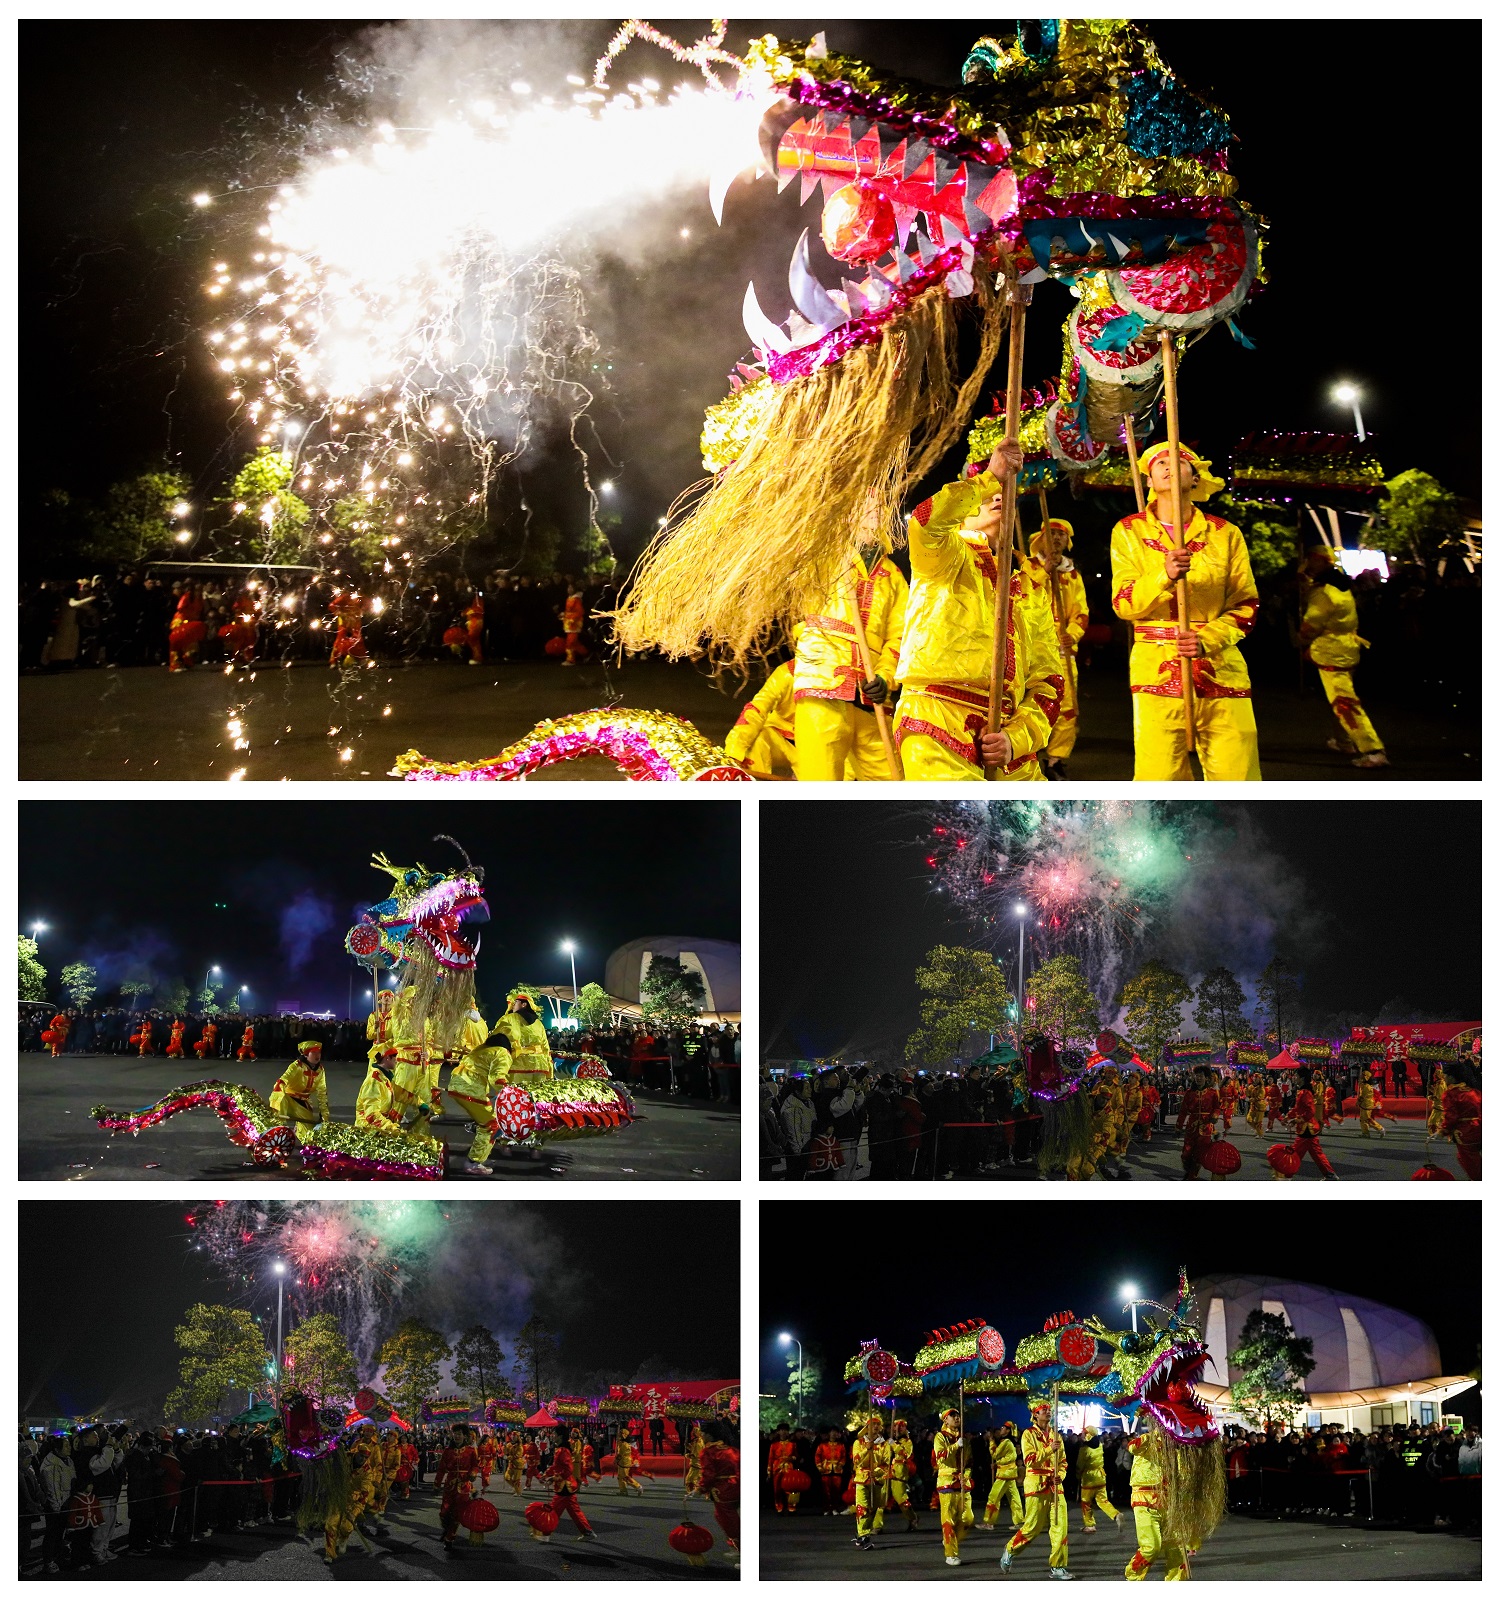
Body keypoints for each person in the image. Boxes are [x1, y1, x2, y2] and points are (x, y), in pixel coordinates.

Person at [892, 440, 1065, 780]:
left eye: (1005, 494)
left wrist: (1015, 740)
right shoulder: (943, 555)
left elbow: (1048, 681)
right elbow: (925, 521)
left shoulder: (1032, 587)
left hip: (1007, 740)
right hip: (937, 720)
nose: (998, 497)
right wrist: (989, 478)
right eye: (987, 498)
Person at [1110, 442, 1260, 781]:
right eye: (1159, 463)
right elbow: (1123, 603)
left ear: (1195, 478)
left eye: (1179, 461)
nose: (1168, 466)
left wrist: (1207, 639)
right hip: (1155, 669)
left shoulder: (1226, 534)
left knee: (1238, 776)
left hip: (1221, 668)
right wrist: (1163, 575)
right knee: (1159, 779)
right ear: (1149, 480)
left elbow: (1246, 604)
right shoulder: (1128, 531)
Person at [791, 517, 907, 781]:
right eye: (867, 500)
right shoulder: (822, 553)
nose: (875, 508)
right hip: (822, 681)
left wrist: (885, 678)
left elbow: (900, 637)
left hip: (872, 697)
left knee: (890, 783)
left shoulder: (894, 577)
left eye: (881, 502)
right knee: (820, 781)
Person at [1299, 546, 1387, 768]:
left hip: (1332, 651)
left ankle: (1373, 749)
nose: (1308, 564)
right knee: (1340, 697)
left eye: (1311, 559)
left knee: (1344, 701)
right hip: (1347, 647)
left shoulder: (1323, 591)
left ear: (1320, 561)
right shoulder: (1342, 585)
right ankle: (1343, 741)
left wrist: (1301, 639)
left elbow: (1312, 623)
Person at [1023, 516, 1088, 779]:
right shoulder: (1027, 566)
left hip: (1061, 651)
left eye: (1062, 534)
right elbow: (1022, 597)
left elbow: (1081, 612)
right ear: (1040, 538)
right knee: (1029, 705)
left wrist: (1072, 635)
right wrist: (1044, 572)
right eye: (1052, 533)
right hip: (1032, 649)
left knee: (1066, 708)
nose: (1057, 538)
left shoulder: (1072, 574)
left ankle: (1055, 760)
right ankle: (1025, 756)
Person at [1001, 1399, 1070, 1578]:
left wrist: (1060, 1476)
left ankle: (1058, 1566)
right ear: (1035, 1414)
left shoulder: (1056, 1435)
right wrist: (1049, 1449)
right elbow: (1029, 1460)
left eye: (1049, 1409)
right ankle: (1011, 1549)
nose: (1048, 1411)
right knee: (1032, 1527)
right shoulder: (1028, 1434)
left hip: (1055, 1486)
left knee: (1060, 1527)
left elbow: (1063, 1462)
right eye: (1043, 1410)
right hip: (1036, 1485)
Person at [446, 1014, 512, 1175]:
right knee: (492, 1125)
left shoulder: (481, 1049)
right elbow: (497, 1078)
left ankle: (480, 1156)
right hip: (471, 1090)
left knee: (485, 1121)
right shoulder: (502, 1052)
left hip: (455, 1086)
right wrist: (511, 1092)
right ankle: (473, 1163)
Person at [1124, 1428, 1186, 1580]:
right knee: (1151, 1547)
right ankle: (1133, 1577)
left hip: (1169, 1501)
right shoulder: (1148, 1440)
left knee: (1177, 1548)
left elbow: (1182, 1475)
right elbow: (1133, 1447)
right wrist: (1153, 1437)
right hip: (1145, 1500)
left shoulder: (1178, 1447)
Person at [725, 658, 798, 778]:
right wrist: (734, 751)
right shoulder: (786, 674)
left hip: (821, 745)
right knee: (756, 742)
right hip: (783, 737)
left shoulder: (832, 674)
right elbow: (758, 708)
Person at [933, 1407, 974, 1567]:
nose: (956, 1418)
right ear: (945, 1420)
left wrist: (966, 1476)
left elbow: (969, 1462)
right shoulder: (940, 1436)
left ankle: (949, 1540)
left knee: (968, 1519)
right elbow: (940, 1456)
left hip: (962, 1483)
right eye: (952, 1416)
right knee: (948, 1521)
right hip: (947, 1481)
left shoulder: (964, 1438)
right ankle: (951, 1554)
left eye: (957, 1415)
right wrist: (956, 1446)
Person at [697, 1421, 741, 1568]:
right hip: (737, 1486)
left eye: (703, 1433)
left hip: (723, 1490)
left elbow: (708, 1474)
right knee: (729, 1517)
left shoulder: (709, 1452)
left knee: (729, 1521)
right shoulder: (731, 1449)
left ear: (709, 1435)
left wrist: (700, 1489)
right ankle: (735, 1547)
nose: (701, 1436)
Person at [269, 1040, 331, 1139]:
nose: (317, 1055)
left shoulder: (320, 1070)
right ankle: (277, 1131)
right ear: (306, 1055)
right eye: (313, 1052)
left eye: (319, 1052)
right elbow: (283, 1081)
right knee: (280, 1100)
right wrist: (276, 1100)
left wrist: (324, 1116)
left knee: (308, 1135)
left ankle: (298, 1130)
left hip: (303, 1102)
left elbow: (322, 1093)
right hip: (288, 1099)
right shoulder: (296, 1066)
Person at [546, 1426, 597, 1539]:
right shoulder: (560, 1449)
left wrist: (554, 1478)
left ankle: (544, 1531)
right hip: (565, 1485)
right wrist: (546, 1475)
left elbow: (568, 1469)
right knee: (574, 1511)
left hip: (564, 1485)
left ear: (560, 1436)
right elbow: (555, 1466)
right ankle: (587, 1531)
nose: (552, 1436)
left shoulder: (563, 1450)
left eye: (554, 1434)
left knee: (554, 1509)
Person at [435, 1424, 480, 1550]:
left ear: (465, 1436)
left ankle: (449, 1538)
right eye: (455, 1433)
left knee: (457, 1514)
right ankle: (447, 1529)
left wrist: (473, 1473)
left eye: (459, 1434)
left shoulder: (471, 1451)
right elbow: (441, 1469)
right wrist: (436, 1484)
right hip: (449, 1486)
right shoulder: (447, 1451)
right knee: (443, 1512)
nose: (457, 1436)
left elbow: (475, 1466)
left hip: (464, 1486)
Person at [1290, 1068, 1338, 1180]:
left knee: (1295, 1153)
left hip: (1306, 1128)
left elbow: (1310, 1111)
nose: (1294, 1077)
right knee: (1316, 1153)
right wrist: (1288, 1117)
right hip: (1307, 1128)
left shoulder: (1305, 1092)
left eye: (1296, 1075)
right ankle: (1329, 1174)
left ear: (1302, 1078)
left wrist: (1297, 1120)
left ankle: (1285, 1174)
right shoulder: (1302, 1091)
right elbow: (1297, 1108)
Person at [497, 988, 553, 1082]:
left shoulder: (508, 1018)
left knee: (518, 1090)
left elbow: (498, 1038)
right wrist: (549, 1064)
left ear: (524, 1004)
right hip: (540, 1065)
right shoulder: (538, 1023)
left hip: (518, 1065)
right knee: (539, 1090)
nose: (513, 1004)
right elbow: (545, 1046)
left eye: (516, 1002)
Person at [1176, 1066, 1221, 1181]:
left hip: (1206, 1127)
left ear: (1206, 1078)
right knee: (1186, 1153)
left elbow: (1217, 1108)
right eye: (1197, 1076)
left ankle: (1192, 1176)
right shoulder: (1189, 1093)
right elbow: (1183, 1111)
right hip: (1191, 1127)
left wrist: (1215, 1115)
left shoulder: (1212, 1093)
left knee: (1199, 1154)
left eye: (1201, 1076)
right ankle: (1189, 1170)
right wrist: (1178, 1127)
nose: (1198, 1078)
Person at [1077, 1426, 1121, 1532]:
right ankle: (1116, 1514)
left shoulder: (1084, 1449)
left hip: (1088, 1478)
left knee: (1086, 1502)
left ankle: (1090, 1525)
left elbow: (1079, 1465)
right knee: (1103, 1500)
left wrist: (1078, 1475)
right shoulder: (1100, 1446)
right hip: (1100, 1476)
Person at [850, 1414, 884, 1550]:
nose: (875, 1427)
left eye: (878, 1424)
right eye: (872, 1424)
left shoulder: (884, 1444)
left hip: (877, 1480)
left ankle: (862, 1533)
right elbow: (856, 1460)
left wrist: (876, 1472)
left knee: (873, 1508)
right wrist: (867, 1449)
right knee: (862, 1508)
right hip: (862, 1479)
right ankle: (864, 1535)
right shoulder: (858, 1443)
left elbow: (886, 1463)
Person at [981, 1422, 1023, 1531]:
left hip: (1004, 1474)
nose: (1001, 1429)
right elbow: (1010, 1457)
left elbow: (995, 1454)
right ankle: (1019, 1521)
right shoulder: (1010, 1442)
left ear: (1008, 1430)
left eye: (1003, 1427)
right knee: (1014, 1498)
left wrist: (991, 1441)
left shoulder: (1006, 1442)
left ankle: (989, 1522)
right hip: (1009, 1473)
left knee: (993, 1497)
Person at [1440, 1079, 1481, 1180]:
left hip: (1465, 1131)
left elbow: (1451, 1116)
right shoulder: (1474, 1091)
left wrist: (1443, 1130)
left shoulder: (1451, 1094)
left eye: (1446, 1075)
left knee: (1470, 1161)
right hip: (1480, 1126)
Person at [884, 1417, 919, 1531]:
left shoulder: (908, 1442)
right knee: (880, 1499)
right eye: (896, 1426)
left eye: (901, 1426)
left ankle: (912, 1517)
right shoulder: (889, 1440)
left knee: (901, 1499)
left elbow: (905, 1454)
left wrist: (894, 1445)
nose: (898, 1429)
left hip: (899, 1473)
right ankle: (876, 1526)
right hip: (885, 1472)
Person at [167, 584, 208, 672]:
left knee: (190, 643)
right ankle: (175, 664)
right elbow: (180, 607)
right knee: (177, 643)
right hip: (181, 621)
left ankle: (186, 661)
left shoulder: (200, 599)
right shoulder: (187, 596)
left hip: (191, 622)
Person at [329, 591, 370, 666]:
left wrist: (363, 610)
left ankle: (360, 658)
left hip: (355, 619)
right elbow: (332, 605)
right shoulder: (344, 597)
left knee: (357, 638)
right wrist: (339, 613)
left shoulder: (361, 597)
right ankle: (334, 660)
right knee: (340, 638)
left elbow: (368, 604)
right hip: (344, 620)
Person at [766, 1424, 798, 1513]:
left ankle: (791, 1506)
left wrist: (791, 1458)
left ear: (788, 1432)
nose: (783, 1432)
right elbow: (770, 1459)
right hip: (777, 1468)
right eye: (781, 1430)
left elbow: (796, 1456)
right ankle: (779, 1506)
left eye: (785, 1430)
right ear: (778, 1432)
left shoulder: (792, 1444)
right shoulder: (774, 1445)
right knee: (777, 1489)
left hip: (789, 1468)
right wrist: (769, 1472)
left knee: (791, 1488)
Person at [814, 1427, 846, 1515]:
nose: (834, 1434)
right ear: (829, 1433)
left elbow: (843, 1457)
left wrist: (840, 1464)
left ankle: (835, 1508)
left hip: (837, 1469)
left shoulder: (841, 1445)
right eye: (832, 1432)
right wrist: (820, 1467)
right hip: (825, 1469)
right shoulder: (822, 1445)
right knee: (826, 1490)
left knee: (836, 1490)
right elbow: (817, 1456)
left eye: (835, 1432)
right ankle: (827, 1508)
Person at [614, 1428, 645, 1496]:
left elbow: (620, 1454)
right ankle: (623, 1491)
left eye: (620, 1434)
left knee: (625, 1477)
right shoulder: (623, 1443)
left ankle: (638, 1486)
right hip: (622, 1462)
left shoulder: (624, 1445)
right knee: (620, 1477)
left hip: (624, 1462)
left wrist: (616, 1460)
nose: (619, 1435)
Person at [561, 589, 588, 666]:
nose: (569, 589)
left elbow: (579, 611)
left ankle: (571, 659)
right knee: (573, 642)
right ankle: (585, 653)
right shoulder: (570, 598)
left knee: (571, 642)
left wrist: (572, 618)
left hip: (574, 623)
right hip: (569, 622)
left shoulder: (576, 599)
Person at [1356, 1068, 1386, 1138]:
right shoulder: (1365, 1085)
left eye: (1362, 1076)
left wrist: (1358, 1102)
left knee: (1367, 1119)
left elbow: (1362, 1096)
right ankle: (1365, 1133)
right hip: (1365, 1104)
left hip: (1366, 1104)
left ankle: (1380, 1128)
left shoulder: (1366, 1087)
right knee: (1363, 1119)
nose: (1361, 1077)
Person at [1245, 1072, 1266, 1137]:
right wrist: (1246, 1089)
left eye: (1256, 1078)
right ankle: (1257, 1130)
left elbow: (1260, 1096)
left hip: (1260, 1106)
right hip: (1253, 1106)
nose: (1255, 1079)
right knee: (1248, 1119)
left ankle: (1260, 1134)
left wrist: (1251, 1099)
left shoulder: (1261, 1087)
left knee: (1258, 1122)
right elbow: (1248, 1094)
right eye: (1254, 1077)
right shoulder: (1251, 1086)